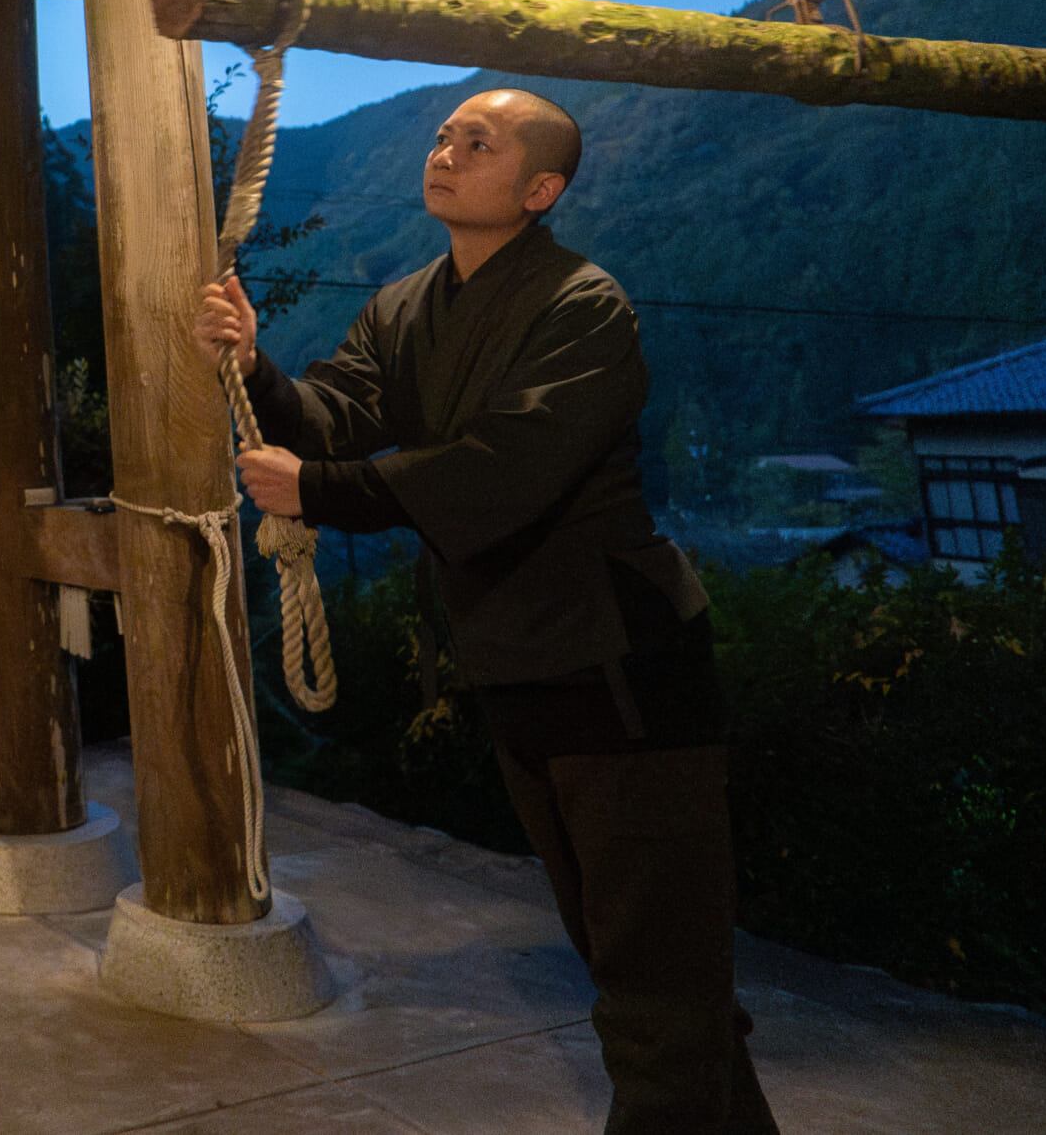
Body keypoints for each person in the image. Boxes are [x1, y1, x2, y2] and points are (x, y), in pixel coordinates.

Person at [196, 87, 776, 1135]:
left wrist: (316, 492)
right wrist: (254, 362)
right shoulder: (406, 303)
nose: (445, 150)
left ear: (540, 189)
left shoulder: (586, 306)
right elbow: (334, 419)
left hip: (623, 666)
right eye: (443, 134)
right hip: (516, 663)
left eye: (479, 141)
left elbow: (503, 473)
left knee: (656, 987)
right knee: (640, 970)